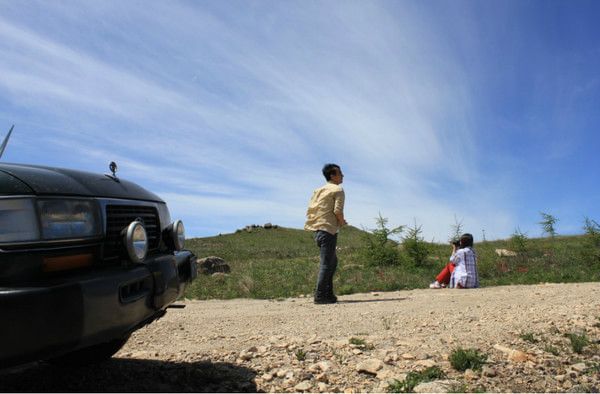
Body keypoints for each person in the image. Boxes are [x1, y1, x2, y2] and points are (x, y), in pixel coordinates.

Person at [304, 163, 347, 304]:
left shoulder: (319, 190)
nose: (343, 176)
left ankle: (329, 294)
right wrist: (342, 222)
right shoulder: (338, 189)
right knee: (327, 263)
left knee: (332, 261)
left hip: (318, 230)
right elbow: (337, 211)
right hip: (328, 230)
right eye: (340, 173)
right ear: (332, 175)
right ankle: (321, 295)